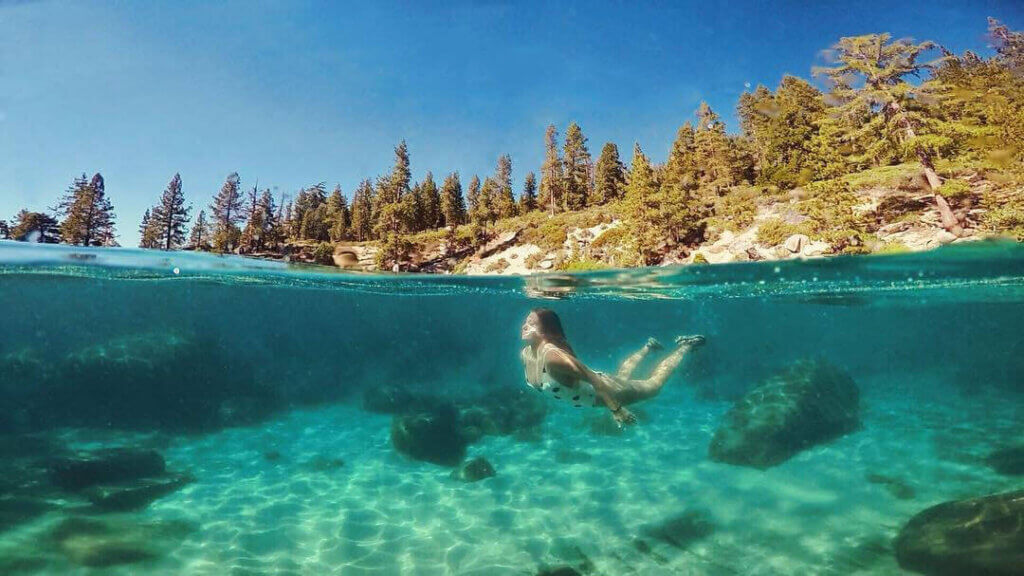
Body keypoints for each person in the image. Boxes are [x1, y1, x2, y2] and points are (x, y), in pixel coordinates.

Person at [520, 308, 705, 426]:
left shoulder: (552, 357)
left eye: (532, 324)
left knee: (654, 386)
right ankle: (649, 347)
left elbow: (593, 379)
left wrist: (616, 410)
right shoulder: (526, 354)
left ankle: (687, 345)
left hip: (606, 391)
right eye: (525, 322)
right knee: (622, 377)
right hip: (599, 389)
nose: (524, 326)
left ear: (546, 330)